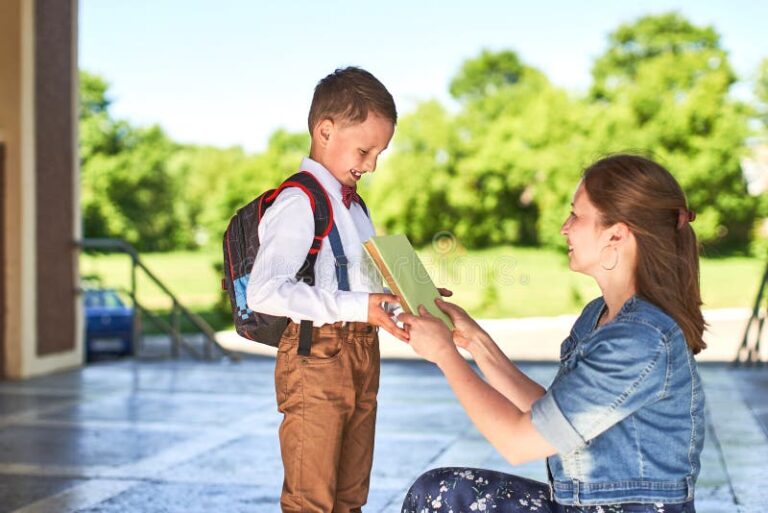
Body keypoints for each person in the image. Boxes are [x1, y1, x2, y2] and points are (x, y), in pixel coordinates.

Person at [397, 154, 706, 513]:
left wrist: (445, 357)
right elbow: (548, 414)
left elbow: (517, 442)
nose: (564, 227)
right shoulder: (599, 315)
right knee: (443, 491)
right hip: (584, 507)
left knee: (441, 497)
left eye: (576, 214)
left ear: (616, 234)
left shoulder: (639, 341)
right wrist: (475, 343)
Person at [246, 67, 409, 513]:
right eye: (365, 150)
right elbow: (263, 291)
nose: (372, 164)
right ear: (324, 130)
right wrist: (361, 305)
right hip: (315, 357)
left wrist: (412, 295)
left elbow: (355, 281)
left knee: (350, 496)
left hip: (361, 354)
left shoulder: (355, 207)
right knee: (312, 500)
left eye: (380, 153)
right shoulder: (299, 201)